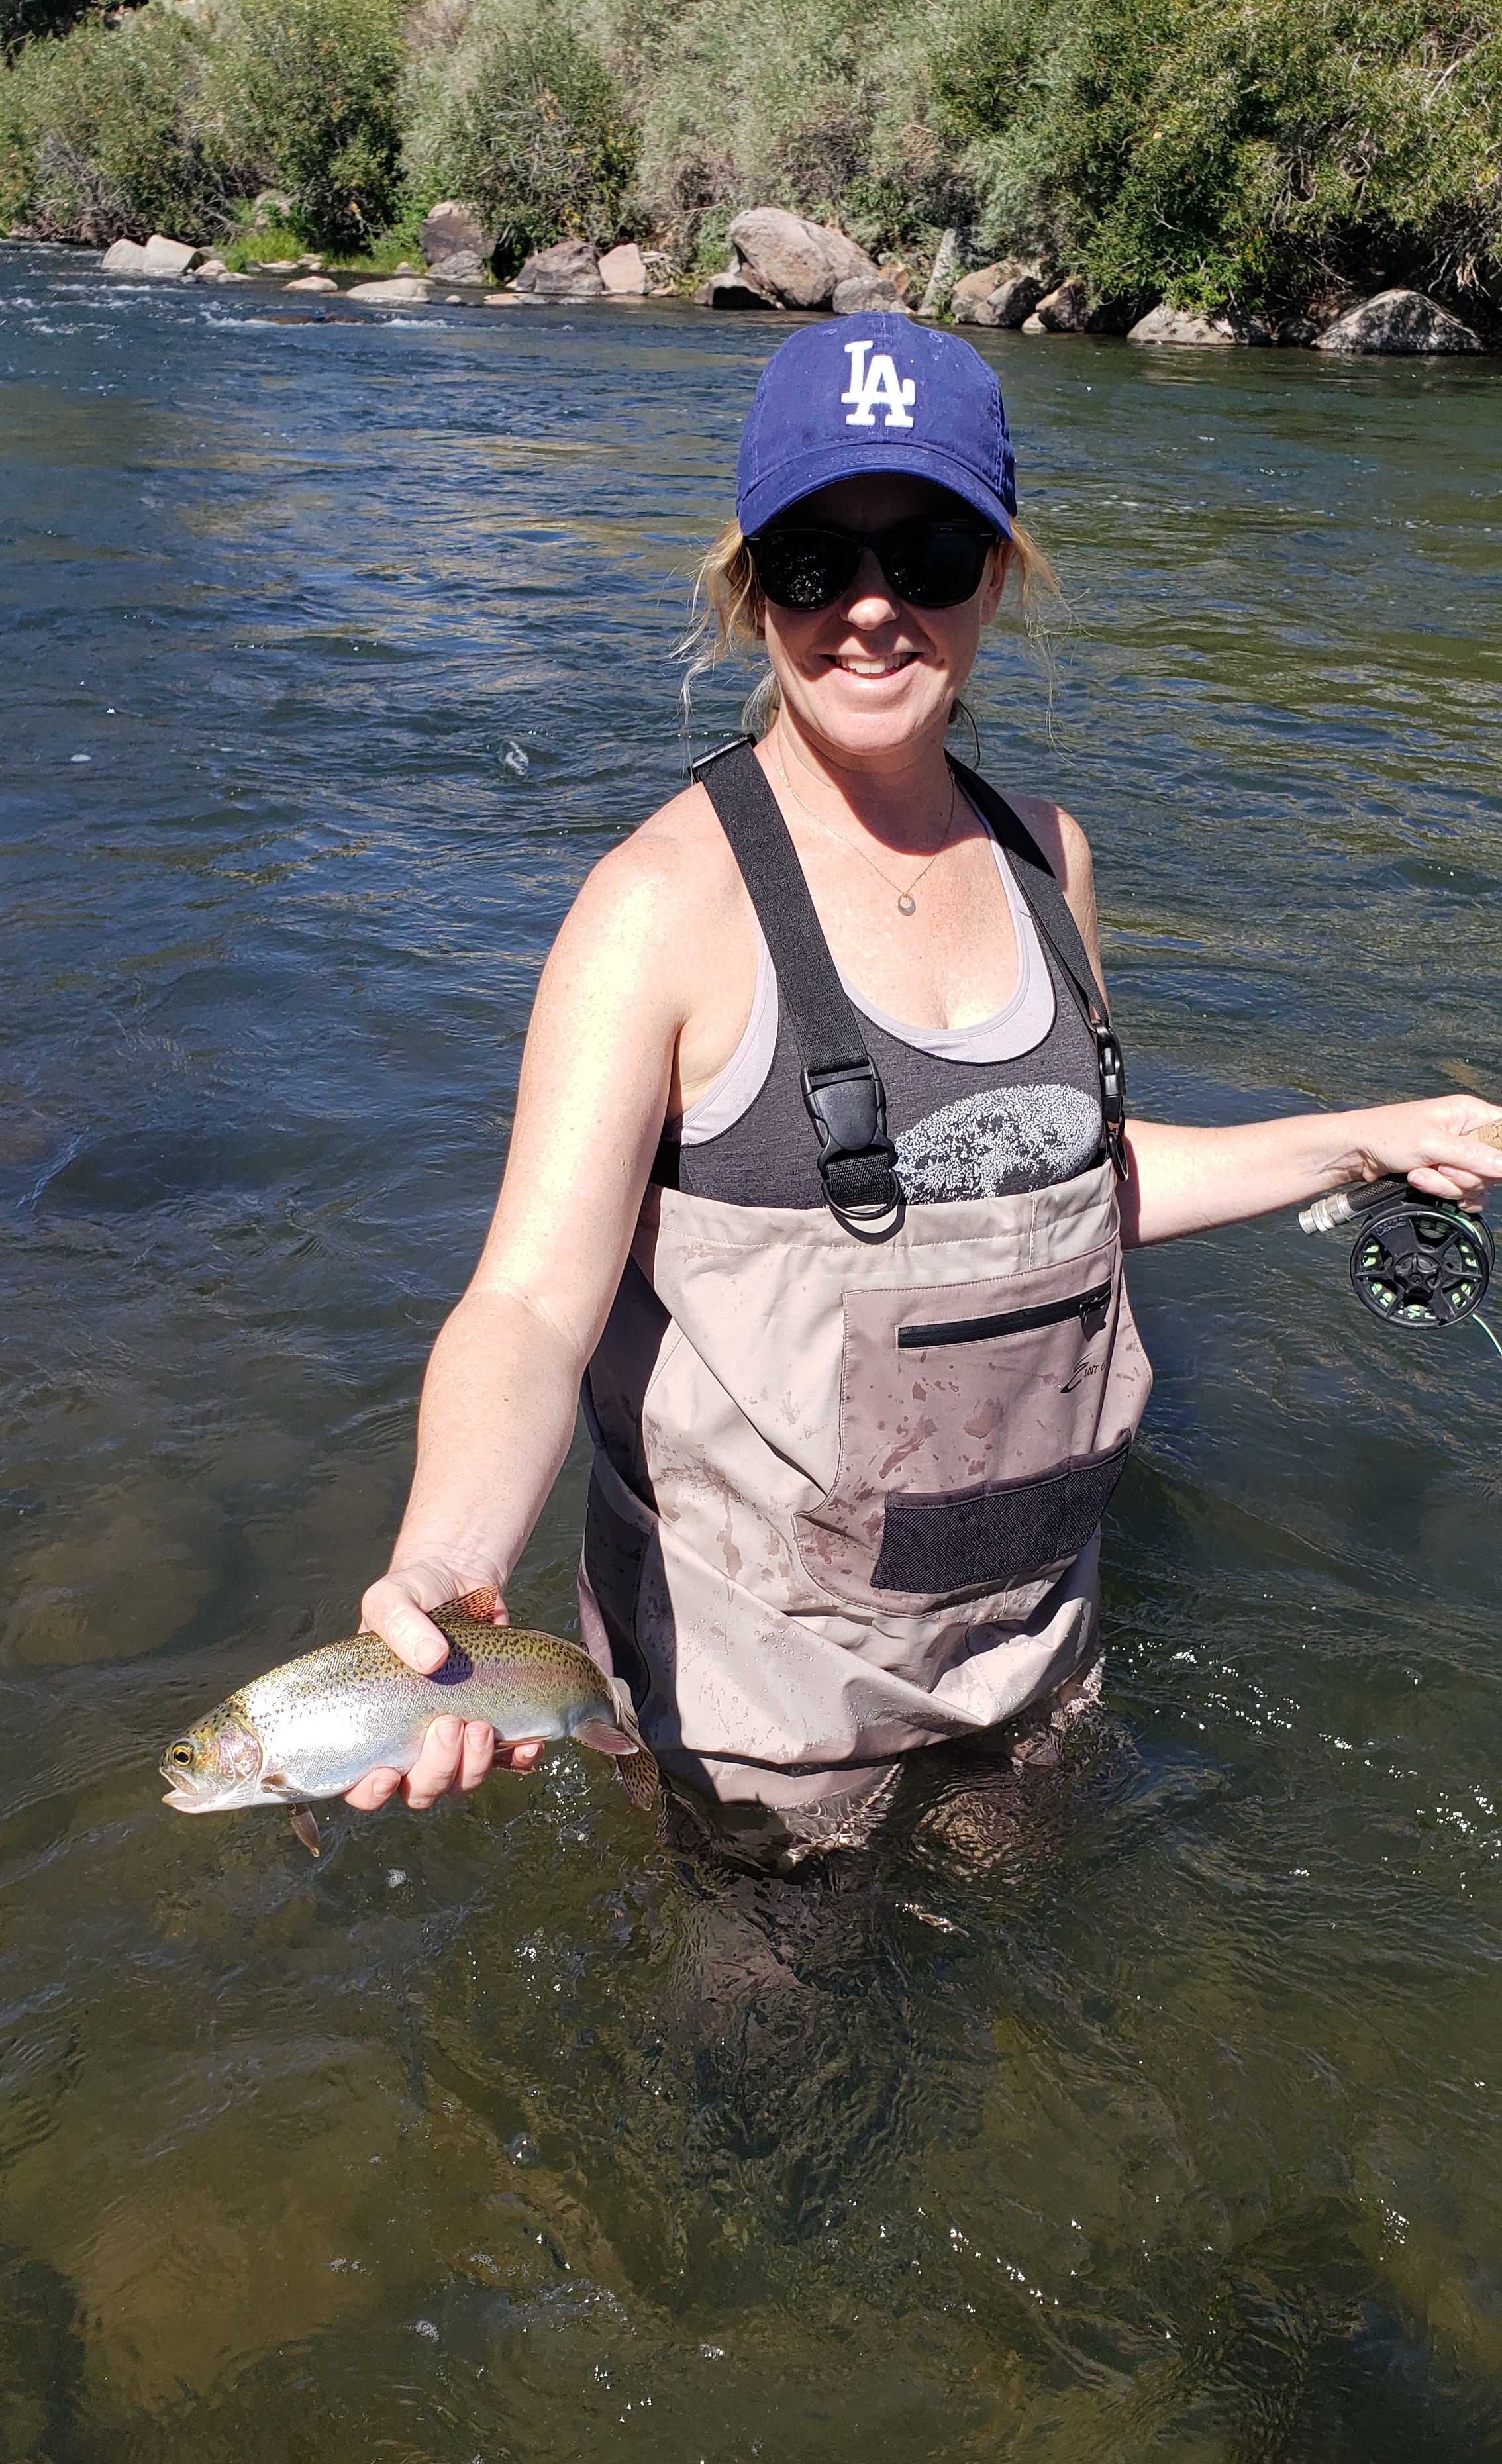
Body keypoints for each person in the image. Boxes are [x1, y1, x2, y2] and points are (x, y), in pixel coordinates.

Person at [344, 311, 1502, 1851]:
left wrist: (1371, 1139)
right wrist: (449, 1562)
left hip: (1028, 1644)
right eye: (814, 562)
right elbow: (531, 1302)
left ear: (998, 575)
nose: (874, 608)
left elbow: (1068, 1182)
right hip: (759, 1713)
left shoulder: (1048, 860)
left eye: (932, 553)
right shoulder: (656, 910)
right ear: (750, 589)